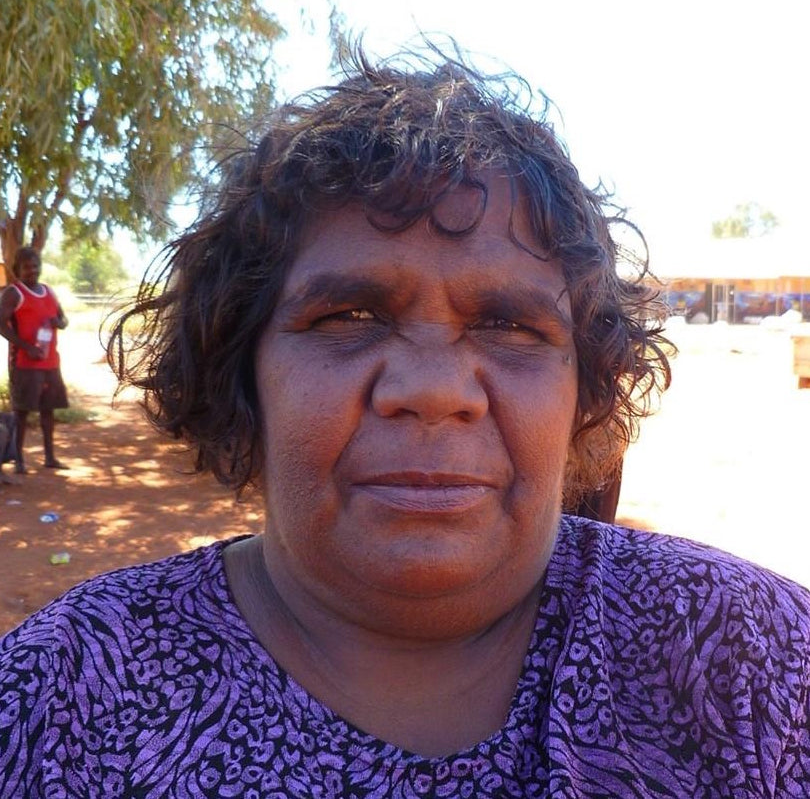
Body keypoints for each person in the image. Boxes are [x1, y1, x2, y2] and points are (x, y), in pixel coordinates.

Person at [1, 46, 808, 798]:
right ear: (241, 371)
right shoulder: (58, 701)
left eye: (509, 326)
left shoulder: (751, 657)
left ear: (584, 389)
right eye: (350, 315)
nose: (432, 391)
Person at [0, 246, 69, 473]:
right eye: (27, 267)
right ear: (17, 269)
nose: (32, 270)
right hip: (24, 363)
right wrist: (26, 346)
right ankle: (19, 459)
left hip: (50, 361)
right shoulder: (14, 293)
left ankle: (50, 456)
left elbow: (63, 318)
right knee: (22, 412)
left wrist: (60, 323)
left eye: (36, 266)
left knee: (48, 410)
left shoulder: (49, 291)